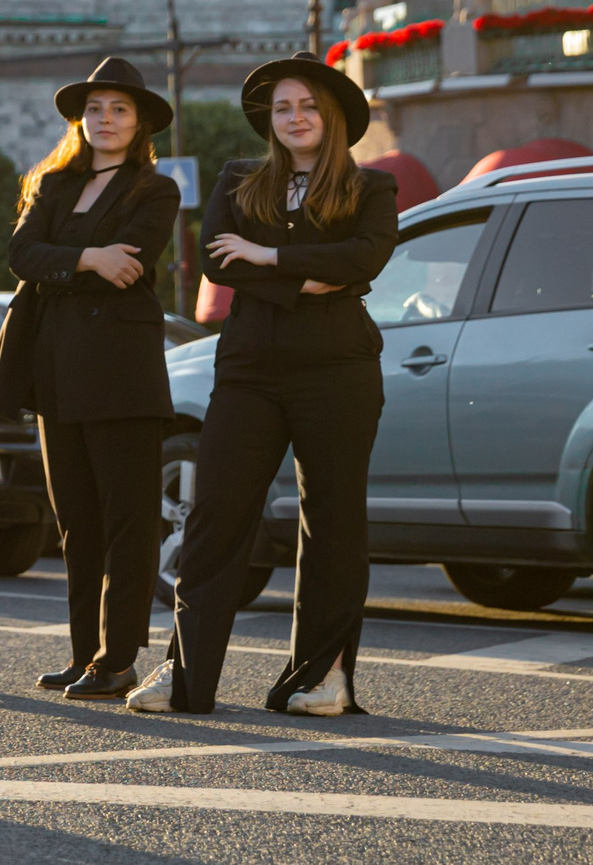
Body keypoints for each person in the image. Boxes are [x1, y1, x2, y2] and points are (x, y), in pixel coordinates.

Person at [130, 51, 399, 717]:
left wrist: (269, 256)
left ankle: (325, 677)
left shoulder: (371, 190)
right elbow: (222, 261)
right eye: (284, 107)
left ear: (331, 116)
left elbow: (363, 260)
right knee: (217, 515)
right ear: (269, 120)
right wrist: (309, 276)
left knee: (333, 522)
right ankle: (184, 676)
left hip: (338, 370)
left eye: (308, 105)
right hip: (250, 369)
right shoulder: (239, 180)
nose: (296, 117)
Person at [0, 57, 182, 700]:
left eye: (119, 110)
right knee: (75, 522)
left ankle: (118, 657)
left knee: (126, 519)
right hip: (56, 373)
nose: (104, 119)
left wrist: (65, 263)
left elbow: (132, 262)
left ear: (140, 123)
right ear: (81, 119)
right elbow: (20, 253)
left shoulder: (154, 189)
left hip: (121, 374)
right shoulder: (51, 184)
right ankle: (84, 654)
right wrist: (88, 258)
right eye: (95, 109)